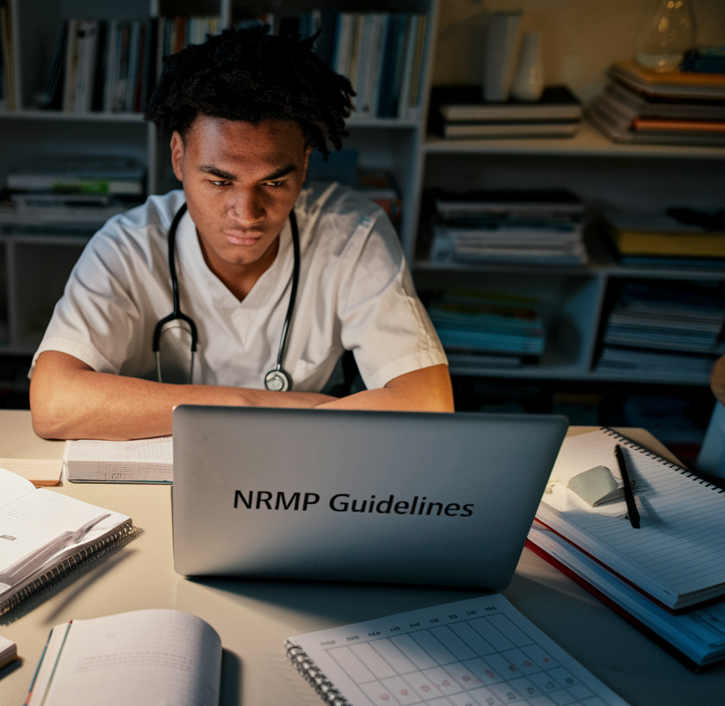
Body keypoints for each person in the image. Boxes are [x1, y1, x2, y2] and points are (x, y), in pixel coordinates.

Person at [29, 26, 452, 441]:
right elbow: (53, 403)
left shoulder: (352, 236)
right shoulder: (127, 246)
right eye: (219, 182)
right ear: (179, 158)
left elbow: (429, 403)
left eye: (273, 182)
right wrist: (258, 405)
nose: (247, 214)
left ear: (304, 165)